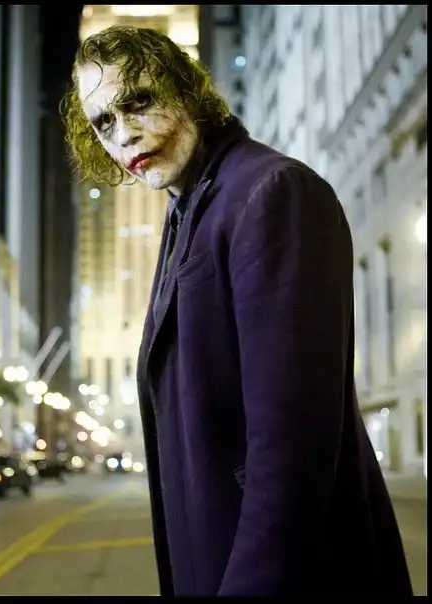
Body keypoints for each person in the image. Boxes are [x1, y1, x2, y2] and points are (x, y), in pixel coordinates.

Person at [62, 25, 413, 597]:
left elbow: (289, 454)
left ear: (187, 89)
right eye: (104, 122)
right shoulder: (190, 207)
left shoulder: (272, 191)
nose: (124, 134)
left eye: (140, 102)